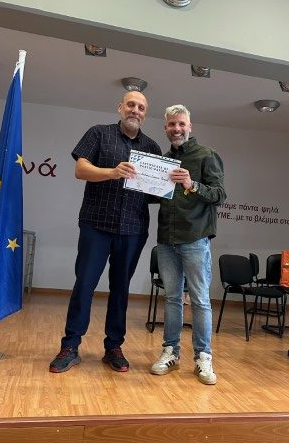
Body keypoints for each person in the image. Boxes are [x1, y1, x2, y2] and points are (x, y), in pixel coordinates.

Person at [50, 91, 162, 374]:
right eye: (131, 105)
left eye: (141, 107)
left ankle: (114, 347)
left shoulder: (152, 147)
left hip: (133, 229)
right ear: (120, 107)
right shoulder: (98, 133)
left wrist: (168, 185)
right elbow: (81, 170)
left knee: (121, 290)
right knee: (84, 285)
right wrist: (112, 172)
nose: (135, 110)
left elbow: (154, 193)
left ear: (145, 114)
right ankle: (70, 346)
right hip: (95, 224)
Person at [150, 105, 226, 385]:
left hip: (195, 238)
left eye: (181, 124)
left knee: (200, 300)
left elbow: (220, 195)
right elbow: (156, 195)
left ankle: (203, 357)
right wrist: (138, 180)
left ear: (190, 126)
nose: (177, 129)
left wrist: (192, 184)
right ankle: (170, 352)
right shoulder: (163, 160)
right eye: (172, 124)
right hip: (166, 239)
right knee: (172, 298)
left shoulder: (207, 155)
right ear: (166, 128)